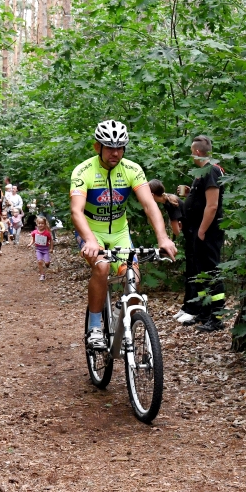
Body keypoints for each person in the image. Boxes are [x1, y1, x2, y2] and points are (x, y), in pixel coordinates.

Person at [70, 119, 177, 350]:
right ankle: (95, 327)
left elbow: (149, 205)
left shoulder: (132, 170)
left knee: (133, 278)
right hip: (92, 232)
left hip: (119, 233)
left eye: (120, 147)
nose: (115, 153)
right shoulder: (83, 171)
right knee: (102, 267)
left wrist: (163, 238)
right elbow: (76, 211)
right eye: (110, 147)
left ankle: (120, 315)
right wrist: (90, 240)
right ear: (97, 147)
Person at [176, 135, 226, 332]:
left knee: (212, 272)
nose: (191, 156)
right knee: (201, 273)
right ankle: (204, 312)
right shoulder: (202, 173)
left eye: (191, 152)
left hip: (208, 232)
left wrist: (203, 231)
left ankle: (217, 317)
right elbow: (203, 200)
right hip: (198, 230)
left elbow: (212, 205)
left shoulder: (212, 170)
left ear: (197, 152)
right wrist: (191, 193)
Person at [28, 216, 54, 280]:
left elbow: (51, 240)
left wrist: (51, 248)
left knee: (47, 262)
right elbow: (33, 239)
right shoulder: (35, 232)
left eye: (42, 223)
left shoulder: (47, 233)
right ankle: (42, 275)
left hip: (45, 250)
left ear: (45, 224)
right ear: (37, 224)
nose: (40, 225)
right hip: (38, 249)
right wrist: (30, 244)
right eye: (39, 223)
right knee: (39, 262)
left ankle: (47, 264)